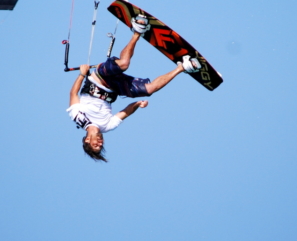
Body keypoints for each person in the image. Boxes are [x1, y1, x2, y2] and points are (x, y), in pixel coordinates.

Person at [67, 14, 201, 162]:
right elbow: (126, 112)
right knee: (149, 90)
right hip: (115, 88)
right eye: (101, 145)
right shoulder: (107, 126)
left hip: (98, 78)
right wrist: (138, 104)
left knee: (123, 64)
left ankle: (137, 31)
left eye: (95, 145)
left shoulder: (78, 118)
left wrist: (81, 75)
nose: (100, 142)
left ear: (87, 141)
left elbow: (73, 94)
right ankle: (183, 67)